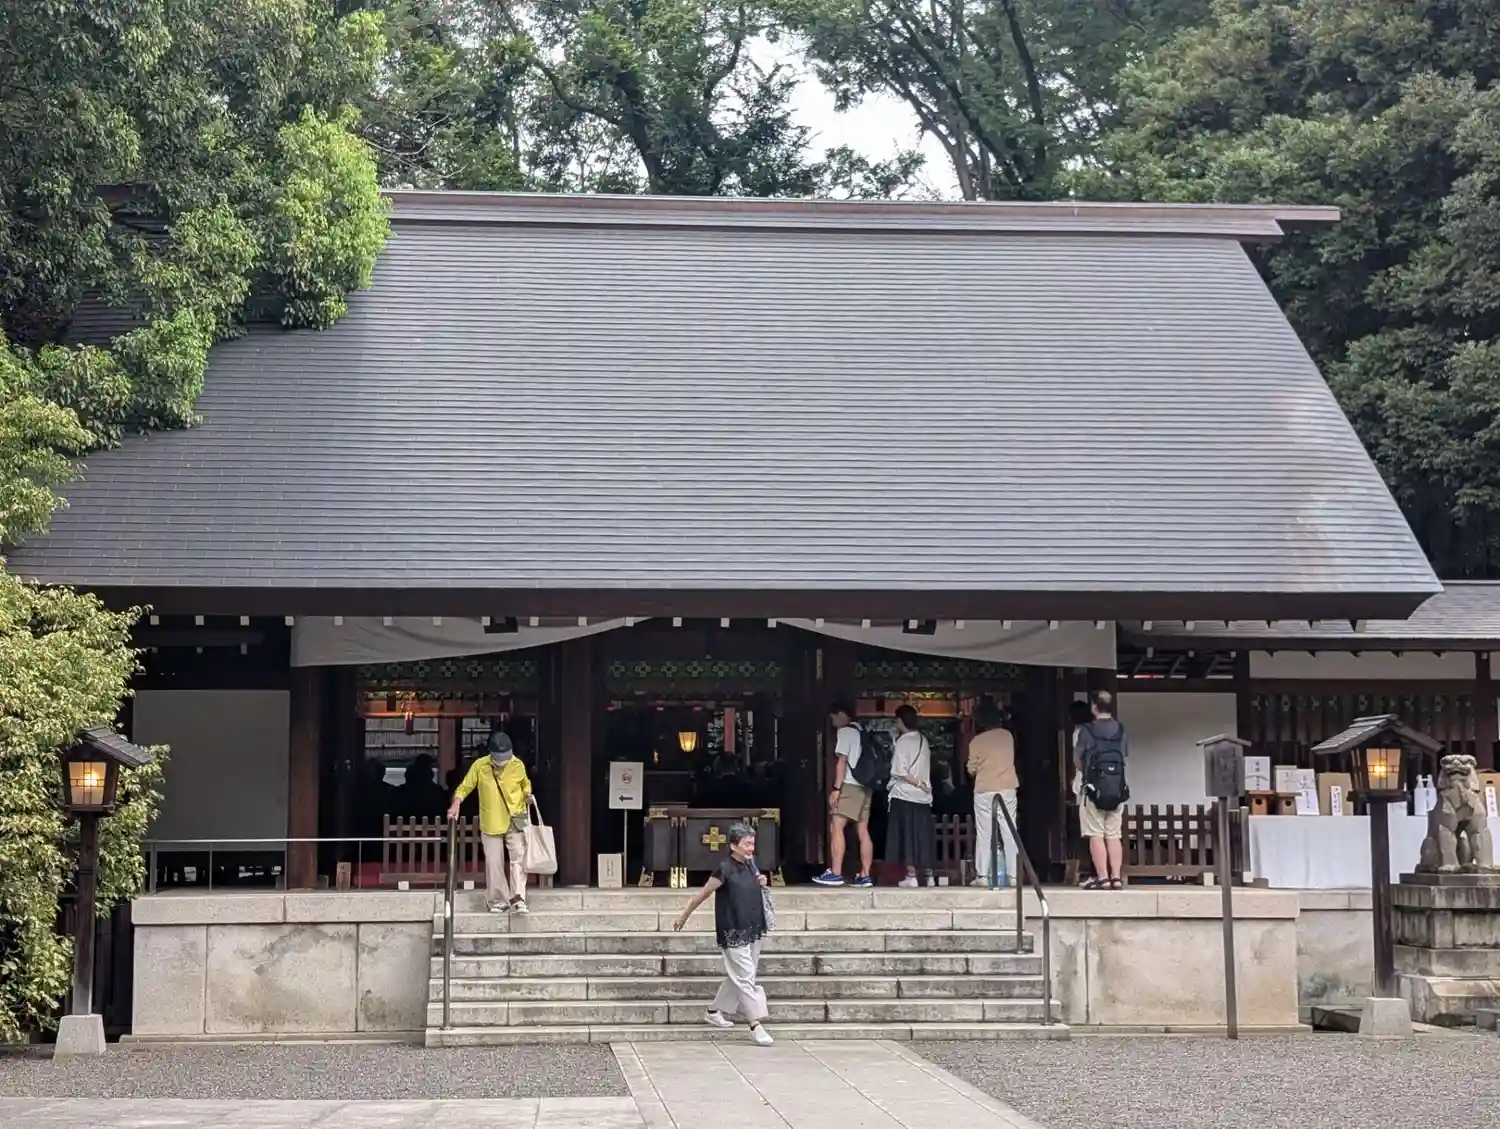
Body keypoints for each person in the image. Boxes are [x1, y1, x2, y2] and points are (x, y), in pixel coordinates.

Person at [672, 822, 774, 1046]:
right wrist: (684, 915)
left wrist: (762, 882)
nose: (751, 848)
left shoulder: (751, 865)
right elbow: (703, 894)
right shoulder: (724, 868)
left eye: (752, 844)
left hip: (753, 927)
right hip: (732, 929)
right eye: (746, 844)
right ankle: (755, 1024)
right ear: (734, 846)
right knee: (745, 976)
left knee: (740, 976)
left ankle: (713, 1011)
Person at [447, 732, 533, 914]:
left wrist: (527, 794)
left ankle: (518, 899)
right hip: (491, 820)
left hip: (515, 818)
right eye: (499, 758)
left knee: (518, 859)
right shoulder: (480, 766)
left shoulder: (517, 764)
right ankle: (498, 900)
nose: (503, 761)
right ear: (491, 754)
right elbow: (465, 787)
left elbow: (525, 783)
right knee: (494, 863)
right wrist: (456, 803)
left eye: (506, 757)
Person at [813, 701, 874, 887]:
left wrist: (837, 789)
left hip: (850, 785)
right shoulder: (861, 730)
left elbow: (842, 762)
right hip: (865, 786)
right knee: (863, 830)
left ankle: (836, 873)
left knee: (836, 826)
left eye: (833, 718)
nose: (832, 723)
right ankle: (865, 875)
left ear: (841, 714)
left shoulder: (845, 732)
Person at [1073, 691, 1131, 890]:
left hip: (1093, 788)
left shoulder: (1087, 730)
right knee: (1113, 834)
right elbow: (1124, 756)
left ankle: (1103, 878)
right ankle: (1116, 877)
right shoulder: (1121, 730)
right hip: (1117, 788)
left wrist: (1088, 774)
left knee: (1095, 833)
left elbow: (1078, 758)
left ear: (1094, 707)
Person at [968, 706, 1019, 887]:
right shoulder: (1007, 736)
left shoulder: (976, 741)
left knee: (984, 833)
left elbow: (971, 768)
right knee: (1009, 831)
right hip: (1007, 787)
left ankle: (982, 875)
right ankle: (1013, 875)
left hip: (984, 788)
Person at [886, 704, 935, 888]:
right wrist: (922, 785)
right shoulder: (923, 740)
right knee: (923, 836)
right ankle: (929, 876)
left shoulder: (903, 742)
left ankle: (911, 875)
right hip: (923, 797)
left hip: (904, 795)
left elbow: (899, 770)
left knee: (906, 836)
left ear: (900, 721)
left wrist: (916, 782)